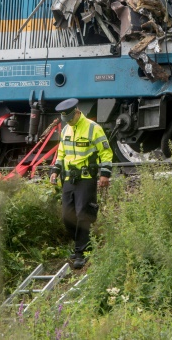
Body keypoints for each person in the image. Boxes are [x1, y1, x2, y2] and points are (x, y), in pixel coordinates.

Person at [49, 98, 113, 269]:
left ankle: (81, 252)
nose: (68, 122)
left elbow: (106, 152)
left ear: (77, 112)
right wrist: (55, 170)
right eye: (66, 120)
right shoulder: (66, 130)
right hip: (69, 178)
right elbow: (61, 152)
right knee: (67, 216)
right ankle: (83, 244)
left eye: (70, 118)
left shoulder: (93, 128)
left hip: (86, 178)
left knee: (83, 214)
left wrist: (105, 174)